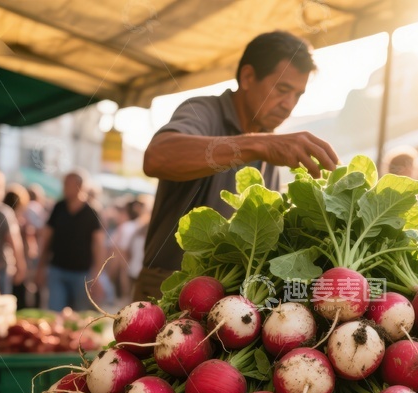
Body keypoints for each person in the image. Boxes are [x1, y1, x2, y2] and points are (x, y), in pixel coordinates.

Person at [136, 30, 338, 300]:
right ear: (247, 77)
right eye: (282, 89)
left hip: (230, 301)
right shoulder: (204, 111)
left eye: (298, 95)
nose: (288, 104)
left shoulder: (271, 153)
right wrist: (259, 144)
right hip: (167, 288)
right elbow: (157, 157)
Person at [36, 170, 105, 312]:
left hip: (82, 274)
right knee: (55, 312)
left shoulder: (92, 212)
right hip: (57, 269)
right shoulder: (58, 207)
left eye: (67, 184)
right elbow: (47, 238)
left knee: (79, 314)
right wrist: (41, 267)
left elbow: (98, 245)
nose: (64, 188)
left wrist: (97, 276)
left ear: (80, 186)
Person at [3, 184, 37, 309]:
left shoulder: (8, 217)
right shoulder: (17, 221)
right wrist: (22, 265)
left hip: (8, 264)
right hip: (14, 264)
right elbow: (24, 246)